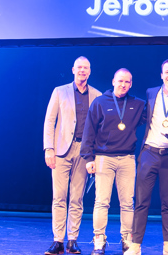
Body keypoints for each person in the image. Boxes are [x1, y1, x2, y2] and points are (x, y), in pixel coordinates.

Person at [126, 59, 168, 255]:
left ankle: (167, 245)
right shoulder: (151, 93)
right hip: (149, 153)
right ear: (161, 75)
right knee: (141, 202)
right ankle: (136, 245)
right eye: (167, 72)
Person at [80, 68, 146, 255]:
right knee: (102, 201)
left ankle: (127, 240)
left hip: (127, 158)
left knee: (127, 203)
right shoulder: (100, 102)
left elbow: (154, 118)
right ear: (113, 81)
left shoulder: (137, 104)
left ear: (131, 84)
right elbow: (89, 131)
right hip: (103, 158)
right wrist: (88, 157)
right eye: (120, 81)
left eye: (127, 82)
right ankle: (99, 239)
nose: (123, 85)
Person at [43, 56, 102, 255]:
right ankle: (58, 240)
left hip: (84, 152)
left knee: (77, 198)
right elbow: (49, 121)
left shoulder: (97, 95)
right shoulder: (60, 91)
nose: (82, 70)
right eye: (79, 67)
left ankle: (72, 240)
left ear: (90, 71)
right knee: (59, 197)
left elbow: (99, 128)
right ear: (73, 70)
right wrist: (48, 149)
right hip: (61, 150)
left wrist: (95, 155)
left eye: (86, 68)